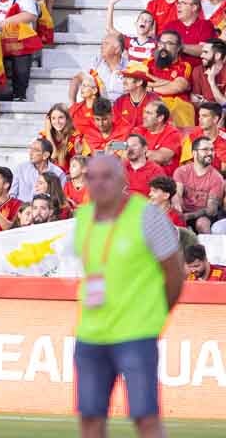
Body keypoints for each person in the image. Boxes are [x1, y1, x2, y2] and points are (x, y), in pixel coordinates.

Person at [71, 153, 183, 438]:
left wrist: (156, 313)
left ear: (123, 180)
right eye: (91, 177)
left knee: (145, 418)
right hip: (91, 333)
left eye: (106, 176)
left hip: (135, 333)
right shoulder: (82, 217)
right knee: (90, 419)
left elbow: (174, 273)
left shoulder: (148, 215)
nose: (98, 183)